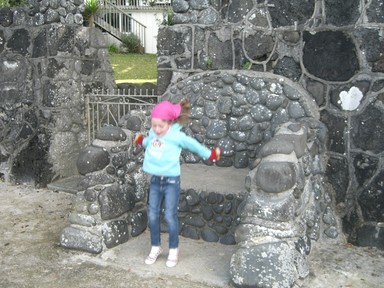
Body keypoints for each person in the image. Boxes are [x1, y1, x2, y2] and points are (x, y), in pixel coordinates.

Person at [134, 99, 221, 268]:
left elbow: (194, 146)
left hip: (171, 182)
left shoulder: (177, 136)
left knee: (169, 216)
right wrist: (140, 140)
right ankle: (155, 246)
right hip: (155, 181)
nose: (157, 130)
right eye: (154, 125)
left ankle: (173, 249)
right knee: (152, 215)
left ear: (170, 122)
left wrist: (210, 154)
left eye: (161, 126)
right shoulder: (153, 132)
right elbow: (149, 142)